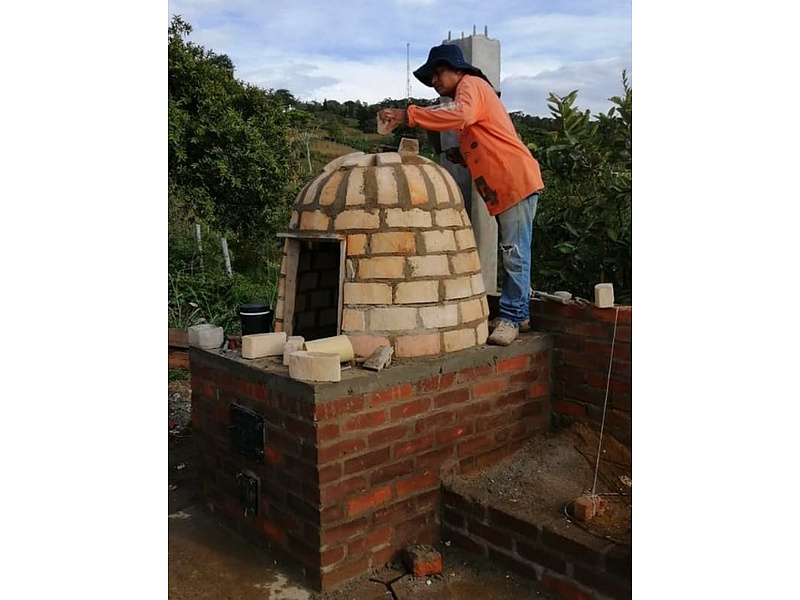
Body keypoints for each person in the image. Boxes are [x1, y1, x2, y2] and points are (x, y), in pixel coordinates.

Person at [379, 44, 544, 346]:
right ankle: (518, 313)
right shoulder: (469, 94)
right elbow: (483, 135)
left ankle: (511, 318)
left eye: (438, 73)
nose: (434, 81)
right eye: (431, 78)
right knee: (513, 251)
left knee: (514, 253)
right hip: (506, 186)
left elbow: (462, 114)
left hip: (515, 181)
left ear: (457, 69)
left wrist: (408, 115)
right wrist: (462, 154)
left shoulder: (472, 85)